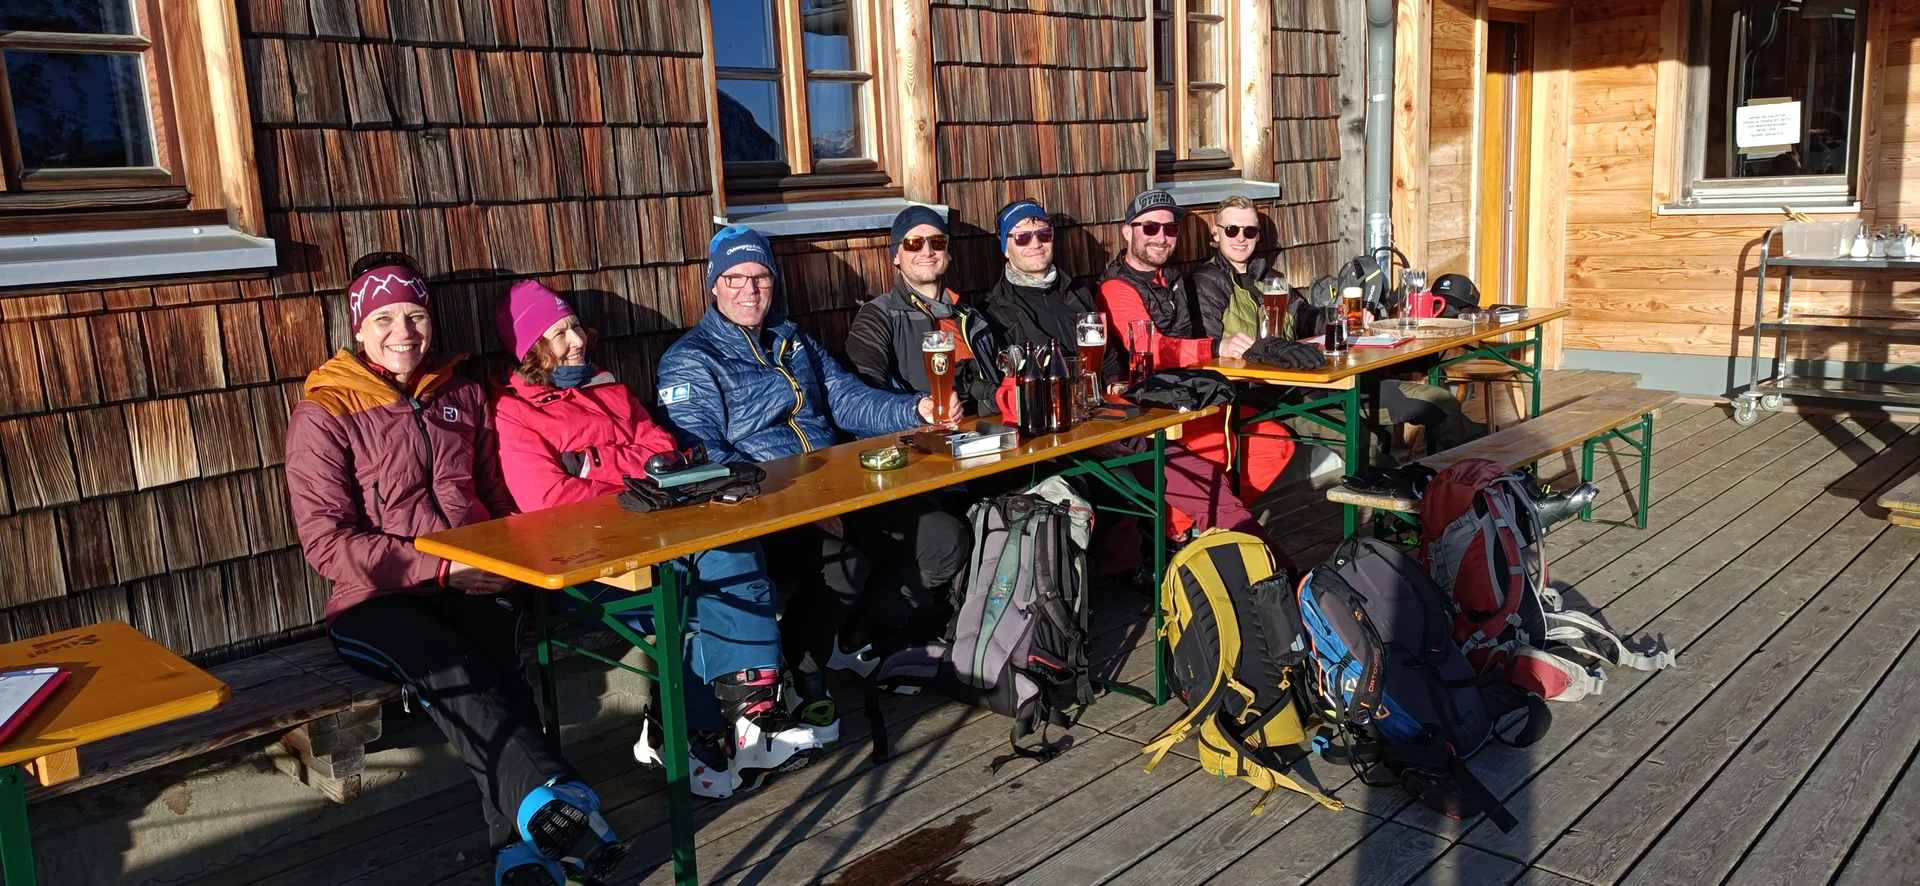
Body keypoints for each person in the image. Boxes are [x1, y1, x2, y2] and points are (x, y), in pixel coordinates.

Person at [285, 254, 622, 886]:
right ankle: (556, 796)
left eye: (414, 315)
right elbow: (327, 544)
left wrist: (515, 564)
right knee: (454, 667)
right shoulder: (324, 413)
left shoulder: (461, 393)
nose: (402, 331)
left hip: (472, 579)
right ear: (358, 328)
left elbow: (497, 501)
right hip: (373, 599)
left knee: (504, 668)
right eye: (383, 318)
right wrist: (441, 572)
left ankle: (524, 849)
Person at [488, 279, 830, 799]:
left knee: (731, 552)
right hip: (587, 567)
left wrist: (593, 464)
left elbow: (664, 452)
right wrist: (634, 475)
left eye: (575, 325)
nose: (576, 339)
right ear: (530, 348)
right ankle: (705, 728)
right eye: (557, 333)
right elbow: (548, 500)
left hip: (657, 541)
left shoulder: (607, 386)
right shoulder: (516, 412)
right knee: (708, 596)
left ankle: (735, 721)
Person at [656, 225, 970, 729]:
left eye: (759, 277)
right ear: (713, 285)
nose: (749, 289)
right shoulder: (692, 360)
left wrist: (918, 407)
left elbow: (848, 398)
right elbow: (702, 451)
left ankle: (850, 634)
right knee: (843, 565)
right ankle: (803, 667)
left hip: (842, 489)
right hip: (768, 509)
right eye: (734, 278)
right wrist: (801, 506)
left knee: (944, 539)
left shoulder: (792, 340)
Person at [977, 198, 1287, 569]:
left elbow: (1107, 358)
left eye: (1042, 234)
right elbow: (1014, 384)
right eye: (1023, 237)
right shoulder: (997, 310)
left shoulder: (1074, 290)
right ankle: (1262, 566)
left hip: (1110, 412)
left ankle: (1248, 559)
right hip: (1062, 431)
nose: (1036, 243)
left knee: (1246, 446)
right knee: (1194, 468)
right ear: (1005, 248)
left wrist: (1114, 383)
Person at [1094, 191, 1296, 542]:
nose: (1161, 237)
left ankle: (1204, 526)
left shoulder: (1171, 279)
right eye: (1150, 227)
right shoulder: (1116, 287)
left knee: (1275, 442)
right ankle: (1179, 536)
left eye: (1169, 229)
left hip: (1187, 393)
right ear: (1128, 233)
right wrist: (1217, 346)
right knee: (1217, 446)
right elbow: (1151, 348)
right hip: (1145, 405)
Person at [845, 205, 1001, 415]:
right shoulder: (878, 317)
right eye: (913, 244)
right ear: (896, 256)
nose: (927, 251)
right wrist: (917, 410)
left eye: (937, 242)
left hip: (987, 434)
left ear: (948, 253)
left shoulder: (972, 318)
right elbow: (862, 400)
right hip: (920, 440)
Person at [1191, 195, 1286, 340]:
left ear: (1258, 235)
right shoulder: (1207, 283)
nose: (1241, 238)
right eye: (1231, 230)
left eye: (1250, 231)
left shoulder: (1270, 277)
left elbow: (1305, 315)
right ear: (1216, 233)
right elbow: (1206, 347)